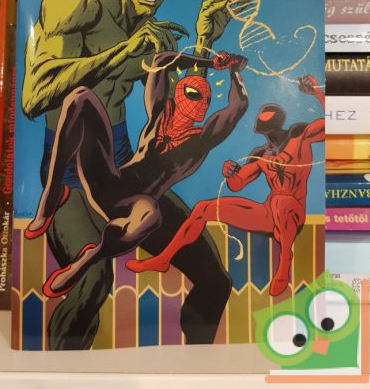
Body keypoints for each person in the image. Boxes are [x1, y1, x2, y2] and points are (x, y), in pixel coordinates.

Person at [21, 0, 234, 348]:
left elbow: (174, 117)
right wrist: (123, 50)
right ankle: (57, 370)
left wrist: (205, 41)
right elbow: (34, 97)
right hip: (69, 174)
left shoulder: (154, 30)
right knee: (92, 280)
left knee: (215, 280)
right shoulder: (75, 1)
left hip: (124, 172)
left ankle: (196, 368)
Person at [26, 50, 249, 299]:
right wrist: (211, 62)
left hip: (136, 207)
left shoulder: (201, 140)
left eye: (202, 98)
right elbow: (161, 61)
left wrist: (234, 72)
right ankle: (52, 192)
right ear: (177, 94)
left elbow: (238, 106)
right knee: (80, 97)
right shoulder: (158, 113)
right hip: (109, 183)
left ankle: (89, 258)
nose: (195, 100)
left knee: (151, 213)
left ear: (205, 109)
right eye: (190, 92)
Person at [127, 75, 324, 297]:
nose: (270, 129)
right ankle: (163, 259)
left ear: (280, 121)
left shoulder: (299, 134)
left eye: (272, 122)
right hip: (269, 214)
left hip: (293, 212)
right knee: (203, 208)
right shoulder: (260, 154)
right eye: (265, 124)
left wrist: (317, 93)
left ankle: (285, 261)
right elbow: (237, 185)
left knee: (282, 202)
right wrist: (230, 172)